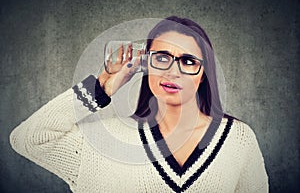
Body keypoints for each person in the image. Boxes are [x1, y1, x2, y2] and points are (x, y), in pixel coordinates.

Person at [10, 16, 268, 192]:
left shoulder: (238, 139)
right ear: (146, 65)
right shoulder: (106, 141)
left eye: (188, 61)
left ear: (203, 73)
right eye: (162, 58)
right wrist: (101, 86)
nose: (173, 72)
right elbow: (29, 139)